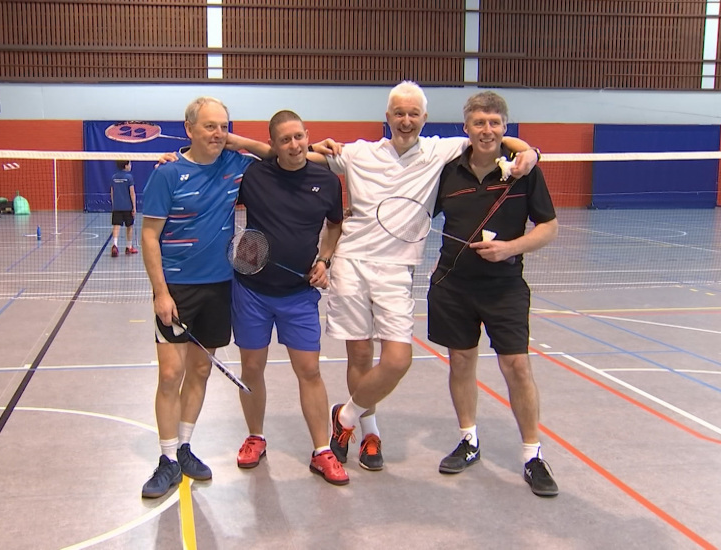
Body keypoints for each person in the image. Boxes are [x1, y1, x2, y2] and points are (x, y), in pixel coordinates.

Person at [313, 81, 540, 472]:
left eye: (413, 113)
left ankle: (345, 416)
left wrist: (530, 153)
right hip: (352, 262)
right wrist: (316, 145)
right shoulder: (358, 153)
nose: (405, 120)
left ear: (424, 118)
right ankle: (369, 432)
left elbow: (501, 140)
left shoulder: (441, 150)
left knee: (397, 358)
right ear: (387, 117)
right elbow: (293, 155)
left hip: (398, 269)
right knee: (361, 353)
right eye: (398, 113)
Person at [429, 91, 559, 497]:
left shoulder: (524, 171)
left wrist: (510, 248)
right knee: (461, 362)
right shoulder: (447, 171)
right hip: (453, 284)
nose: (487, 130)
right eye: (479, 123)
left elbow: (548, 227)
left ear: (505, 128)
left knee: (517, 367)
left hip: (504, 286)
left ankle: (532, 454)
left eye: (495, 123)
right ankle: (469, 440)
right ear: (466, 128)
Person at [139, 96, 263, 499]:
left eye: (223, 125)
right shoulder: (168, 174)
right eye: (209, 126)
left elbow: (276, 155)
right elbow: (149, 235)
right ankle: (166, 458)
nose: (217, 132)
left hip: (218, 286)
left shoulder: (235, 164)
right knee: (171, 374)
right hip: (177, 288)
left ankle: (186, 447)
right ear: (189, 128)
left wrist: (232, 141)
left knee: (200, 372)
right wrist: (160, 292)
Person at [232, 110, 348, 485]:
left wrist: (325, 259)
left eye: (299, 137)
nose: (294, 145)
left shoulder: (327, 181)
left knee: (310, 371)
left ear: (307, 136)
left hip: (299, 293)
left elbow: (334, 226)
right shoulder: (254, 176)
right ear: (274, 144)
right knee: (251, 369)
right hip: (251, 288)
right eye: (285, 140)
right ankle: (255, 436)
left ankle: (321, 450)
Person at [109, 160, 138, 257]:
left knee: (116, 225)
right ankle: (129, 247)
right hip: (127, 207)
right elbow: (132, 192)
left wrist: (114, 204)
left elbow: (112, 192)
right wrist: (134, 207)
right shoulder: (129, 177)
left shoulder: (114, 177)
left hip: (117, 206)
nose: (130, 165)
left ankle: (115, 245)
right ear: (126, 166)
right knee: (129, 226)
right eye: (129, 163)